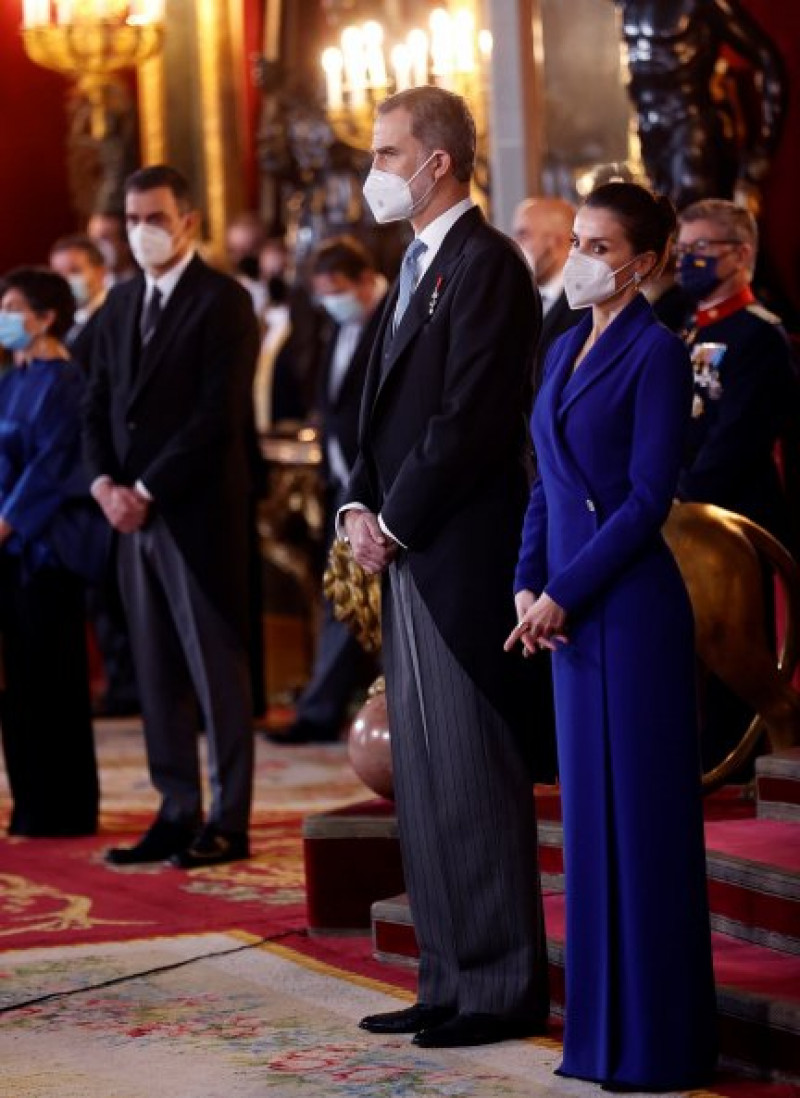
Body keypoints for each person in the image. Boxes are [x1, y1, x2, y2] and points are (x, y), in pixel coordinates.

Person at [341, 86, 549, 1048]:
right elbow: (373, 410)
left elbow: (468, 419)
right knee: (424, 782)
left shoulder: (487, 264)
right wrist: (356, 503)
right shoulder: (414, 263)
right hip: (406, 549)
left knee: (472, 775)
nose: (374, 172)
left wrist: (394, 518)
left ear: (438, 163)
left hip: (459, 554)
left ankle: (501, 986)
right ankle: (446, 977)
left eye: (387, 155)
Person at [507, 182, 717, 1090]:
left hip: (626, 615)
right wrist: (525, 582)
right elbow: (543, 482)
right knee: (588, 830)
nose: (580, 258)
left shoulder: (658, 354)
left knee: (642, 828)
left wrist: (564, 590)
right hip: (564, 617)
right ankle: (593, 1039)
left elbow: (645, 501)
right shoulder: (559, 349)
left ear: (643, 261)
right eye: (578, 241)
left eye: (599, 245)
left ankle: (658, 1046)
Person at [83, 164, 260, 869]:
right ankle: (175, 806)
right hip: (127, 515)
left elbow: (216, 414)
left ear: (188, 219)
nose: (141, 232)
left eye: (155, 218)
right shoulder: (120, 302)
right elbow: (94, 400)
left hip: (193, 509)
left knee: (216, 671)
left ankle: (230, 818)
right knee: (154, 669)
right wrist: (103, 484)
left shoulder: (224, 301)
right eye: (131, 220)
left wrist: (146, 487)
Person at [675, 198, 799, 771]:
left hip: (733, 517)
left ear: (741, 255)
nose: (688, 260)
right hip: (677, 513)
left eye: (702, 249)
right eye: (683, 250)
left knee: (735, 655)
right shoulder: (683, 329)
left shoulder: (761, 335)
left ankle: (757, 767)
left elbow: (740, 433)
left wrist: (682, 494)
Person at [0, 267, 106, 836]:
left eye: (14, 306)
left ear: (44, 317)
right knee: (17, 684)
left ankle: (65, 807)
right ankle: (30, 802)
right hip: (11, 556)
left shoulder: (65, 382)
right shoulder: (11, 377)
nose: (5, 316)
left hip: (48, 551)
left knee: (53, 680)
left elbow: (51, 467)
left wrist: (7, 521)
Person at [269, 236, 386, 746]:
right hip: (343, 484)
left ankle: (328, 710)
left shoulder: (392, 317)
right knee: (343, 595)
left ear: (364, 281)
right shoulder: (332, 326)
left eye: (337, 290)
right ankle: (334, 706)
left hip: (384, 487)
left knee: (359, 600)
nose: (330, 302)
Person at [513, 196, 586, 387]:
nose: (514, 244)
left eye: (523, 235)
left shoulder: (587, 307)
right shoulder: (513, 301)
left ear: (556, 242)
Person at [49, 234, 108, 368]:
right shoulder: (64, 320)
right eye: (58, 274)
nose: (65, 280)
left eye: (75, 271)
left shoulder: (113, 315)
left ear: (100, 272)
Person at [87, 210, 139, 286]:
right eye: (93, 239)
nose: (95, 246)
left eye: (104, 239)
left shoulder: (145, 281)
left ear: (127, 243)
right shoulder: (91, 284)